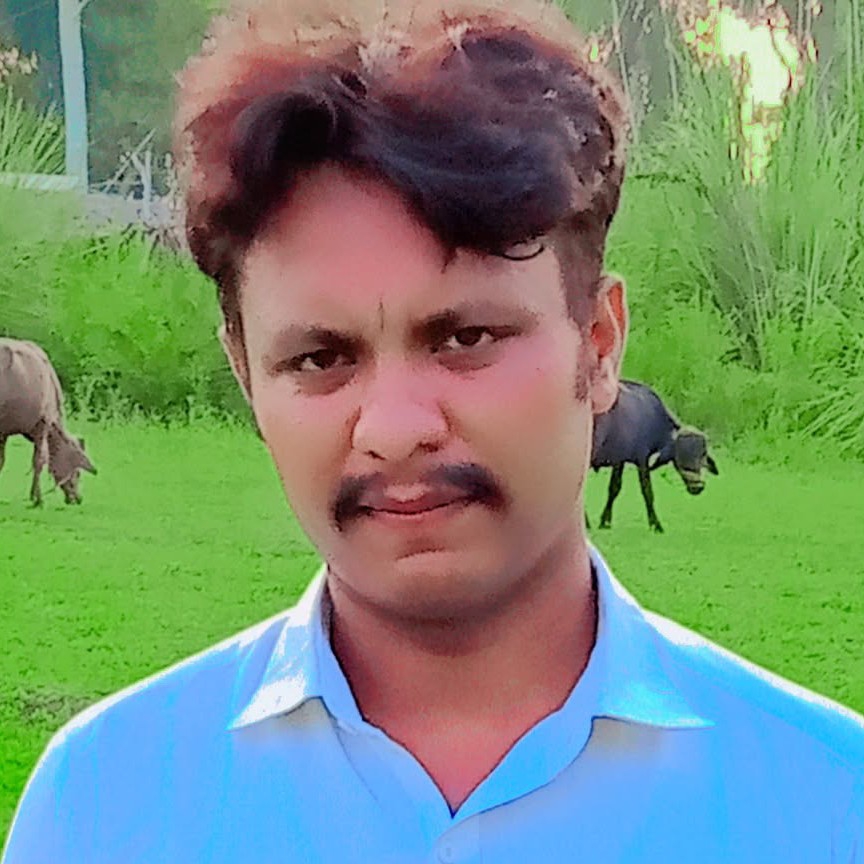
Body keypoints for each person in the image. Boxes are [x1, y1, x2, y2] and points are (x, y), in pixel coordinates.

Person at [3, 0, 863, 860]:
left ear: (600, 346)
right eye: (319, 358)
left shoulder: (827, 803)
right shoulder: (105, 807)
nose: (395, 428)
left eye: (467, 339)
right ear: (247, 376)